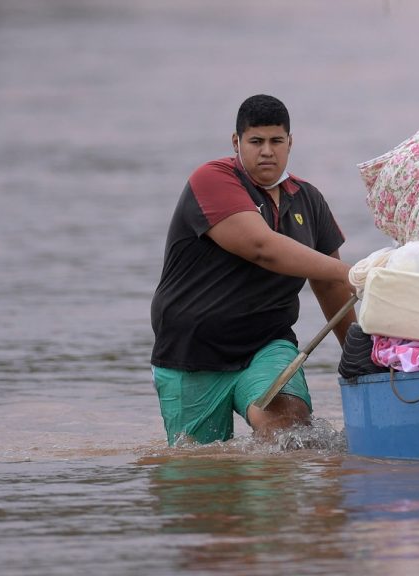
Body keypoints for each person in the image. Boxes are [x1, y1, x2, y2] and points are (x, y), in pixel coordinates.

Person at [150, 94, 357, 446]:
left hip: (267, 344)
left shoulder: (308, 199)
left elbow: (329, 284)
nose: (267, 151)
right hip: (191, 350)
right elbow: (263, 248)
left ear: (290, 143)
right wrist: (354, 271)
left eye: (276, 141)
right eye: (256, 141)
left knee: (289, 432)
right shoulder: (212, 180)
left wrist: (359, 355)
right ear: (237, 142)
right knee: (202, 476)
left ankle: (273, 496)